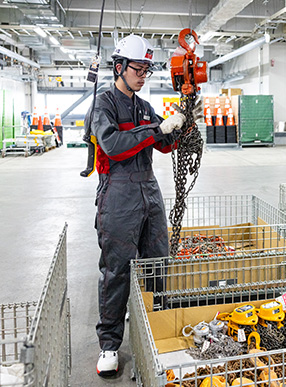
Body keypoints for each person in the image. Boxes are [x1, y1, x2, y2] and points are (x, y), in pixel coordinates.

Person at [85, 34, 185, 377]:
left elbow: (164, 145)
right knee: (117, 271)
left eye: (146, 70)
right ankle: (110, 346)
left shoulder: (143, 106)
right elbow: (113, 145)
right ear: (120, 67)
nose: (143, 75)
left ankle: (158, 327)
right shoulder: (104, 104)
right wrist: (154, 129)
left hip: (149, 192)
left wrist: (180, 124)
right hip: (118, 195)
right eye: (138, 69)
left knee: (158, 261)